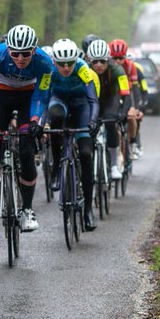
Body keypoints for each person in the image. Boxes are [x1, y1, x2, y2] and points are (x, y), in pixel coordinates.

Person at [0, 24, 53, 232]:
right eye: (15, 53)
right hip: (2, 98)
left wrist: (35, 120)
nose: (21, 58)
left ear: (34, 50)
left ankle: (27, 209)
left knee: (26, 152)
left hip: (29, 98)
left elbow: (42, 95)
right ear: (8, 49)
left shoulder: (44, 61)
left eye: (26, 54)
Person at [46, 38, 100, 232]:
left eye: (70, 63)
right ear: (54, 62)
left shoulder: (83, 68)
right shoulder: (49, 69)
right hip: (58, 103)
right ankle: (55, 171)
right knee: (56, 118)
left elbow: (93, 99)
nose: (66, 68)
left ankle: (87, 210)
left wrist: (93, 120)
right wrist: (41, 122)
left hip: (81, 107)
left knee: (86, 154)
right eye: (61, 64)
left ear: (75, 61)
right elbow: (43, 97)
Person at [84, 39, 130, 180]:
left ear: (108, 60)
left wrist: (123, 113)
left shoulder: (117, 70)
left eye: (102, 62)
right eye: (95, 62)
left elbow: (126, 94)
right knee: (88, 128)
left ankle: (114, 165)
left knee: (111, 123)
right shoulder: (84, 70)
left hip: (110, 101)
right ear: (89, 61)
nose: (98, 65)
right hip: (93, 102)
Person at [109, 39, 145, 159]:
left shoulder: (130, 66)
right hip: (113, 94)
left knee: (130, 116)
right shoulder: (107, 66)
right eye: (115, 58)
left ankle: (134, 141)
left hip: (127, 94)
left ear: (125, 56)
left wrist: (137, 109)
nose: (118, 61)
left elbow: (135, 90)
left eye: (121, 58)